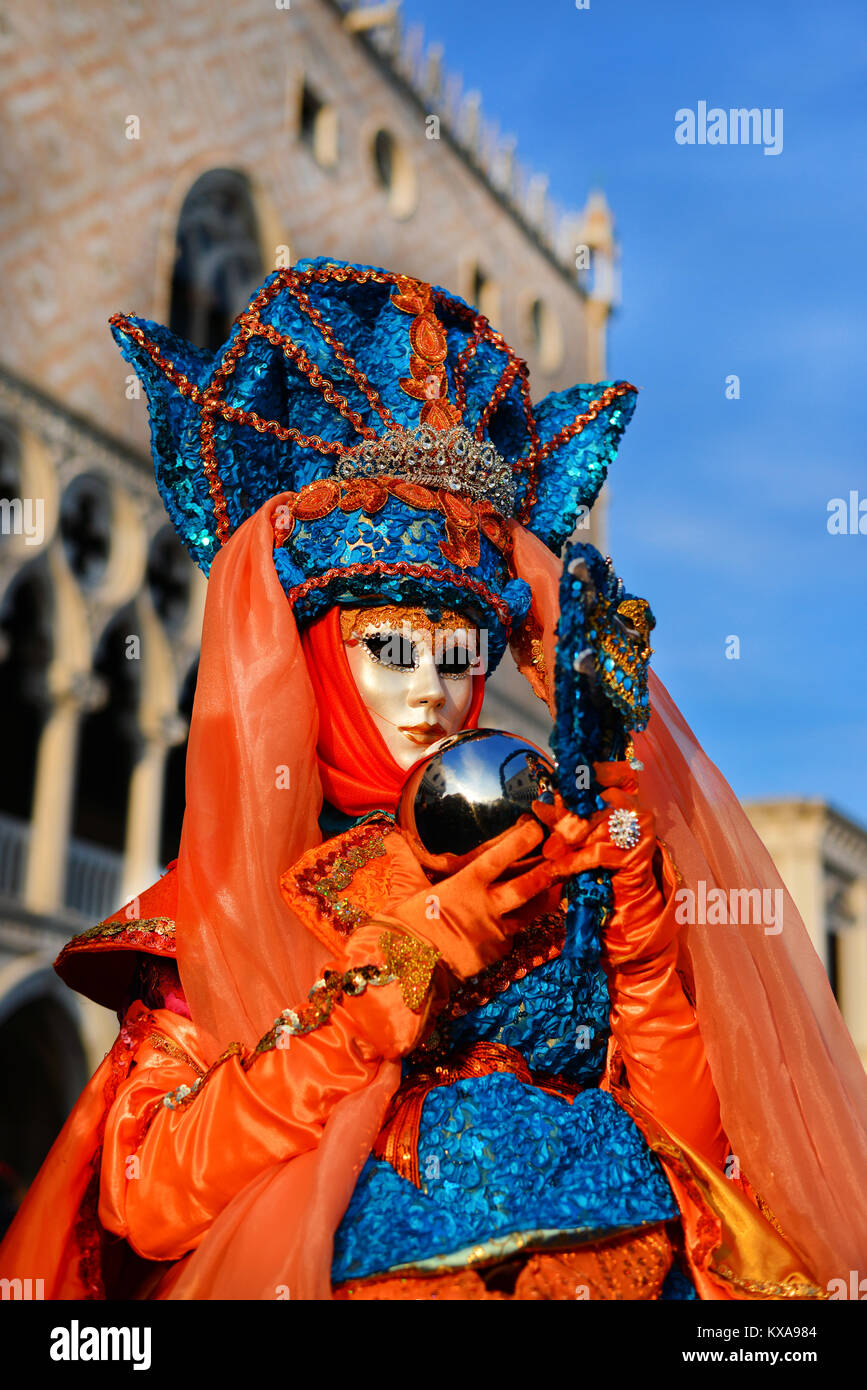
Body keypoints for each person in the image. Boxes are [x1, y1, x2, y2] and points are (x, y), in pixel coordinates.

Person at [1, 258, 864, 1300]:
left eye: (460, 659)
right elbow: (150, 1192)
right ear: (317, 652)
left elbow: (688, 1145)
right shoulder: (234, 904)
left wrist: (636, 938)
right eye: (389, 651)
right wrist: (389, 984)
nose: (432, 699)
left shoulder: (555, 860)